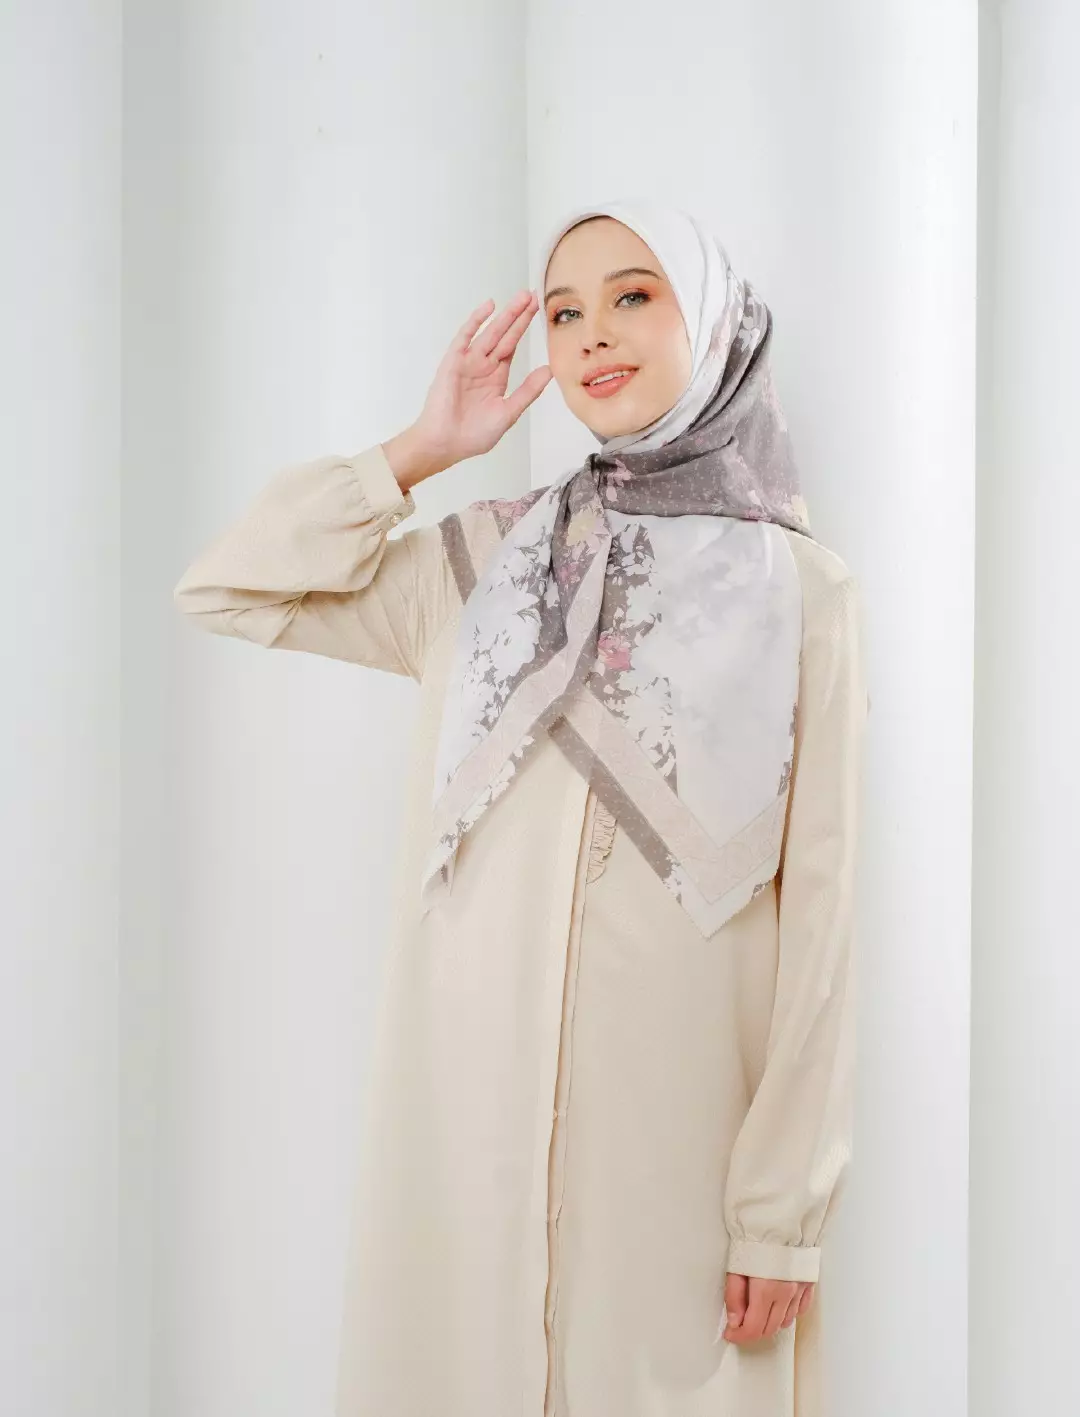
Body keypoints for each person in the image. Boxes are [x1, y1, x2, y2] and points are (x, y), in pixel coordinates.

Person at [173, 197, 869, 1417]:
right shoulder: (485, 563)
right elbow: (229, 588)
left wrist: (782, 1211)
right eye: (563, 310)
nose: (593, 331)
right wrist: (418, 450)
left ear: (714, 320)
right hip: (467, 1133)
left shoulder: (801, 590)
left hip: (672, 1151)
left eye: (634, 294)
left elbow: (824, 919)